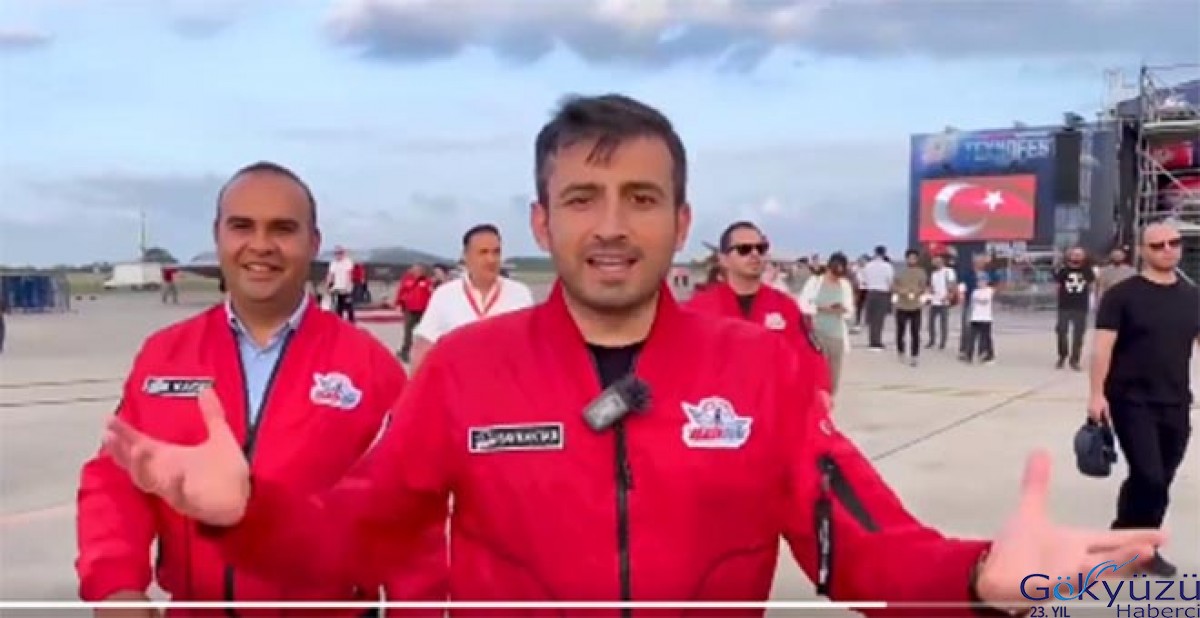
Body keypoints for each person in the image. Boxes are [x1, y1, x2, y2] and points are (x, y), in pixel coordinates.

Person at [102, 95, 1161, 616]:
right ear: (543, 219)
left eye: (641, 198)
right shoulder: (464, 373)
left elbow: (859, 546)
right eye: (582, 199)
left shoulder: (763, 372)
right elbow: (356, 536)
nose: (611, 226)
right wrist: (247, 512)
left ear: (681, 220)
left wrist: (979, 578)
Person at [75, 161, 447, 617]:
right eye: (242, 226)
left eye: (283, 229)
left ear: (313, 243)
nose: (261, 245)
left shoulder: (371, 368)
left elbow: (411, 523)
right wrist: (115, 587)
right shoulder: (165, 356)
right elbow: (117, 479)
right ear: (218, 236)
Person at [1088, 222, 1198, 577]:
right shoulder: (1122, 296)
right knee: (1148, 475)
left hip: (1176, 401)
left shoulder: (1193, 297)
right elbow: (1102, 349)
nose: (1167, 249)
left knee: (1161, 479)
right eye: (1157, 245)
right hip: (1130, 400)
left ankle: (1139, 548)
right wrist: (1096, 394)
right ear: (1142, 251)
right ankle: (1124, 543)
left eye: (1173, 243)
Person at [686, 221, 827, 389]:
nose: (754, 254)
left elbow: (810, 360)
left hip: (774, 400)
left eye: (760, 248)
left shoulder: (785, 307)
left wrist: (819, 392)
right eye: (744, 249)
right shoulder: (698, 310)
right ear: (723, 259)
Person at [409, 224, 534, 371]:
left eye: (496, 252)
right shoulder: (445, 295)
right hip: (458, 381)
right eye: (483, 252)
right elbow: (423, 347)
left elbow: (532, 348)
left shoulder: (520, 294)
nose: (491, 259)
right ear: (466, 256)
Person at [797, 252, 855, 394]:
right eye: (834, 274)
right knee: (816, 374)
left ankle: (827, 402)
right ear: (828, 268)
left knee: (833, 378)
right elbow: (802, 304)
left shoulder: (844, 285)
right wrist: (821, 309)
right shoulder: (815, 282)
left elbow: (850, 311)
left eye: (839, 275)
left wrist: (841, 309)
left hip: (836, 336)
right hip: (816, 334)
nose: (836, 277)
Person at [1053, 247, 1095, 371]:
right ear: (1070, 256)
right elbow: (1057, 286)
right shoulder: (1063, 270)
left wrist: (1092, 301)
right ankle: (1062, 355)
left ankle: (1075, 359)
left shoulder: (1087, 270)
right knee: (1061, 330)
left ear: (1083, 257)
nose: (1076, 256)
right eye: (1074, 254)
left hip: (1080, 306)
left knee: (1078, 334)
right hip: (1064, 306)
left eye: (1079, 254)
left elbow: (1092, 286)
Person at [891, 249, 927, 366]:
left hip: (915, 306)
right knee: (900, 331)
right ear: (906, 259)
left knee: (915, 331)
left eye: (914, 258)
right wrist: (901, 291)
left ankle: (914, 356)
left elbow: (924, 287)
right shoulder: (900, 271)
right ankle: (901, 351)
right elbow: (893, 286)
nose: (912, 260)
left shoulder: (921, 272)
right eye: (910, 258)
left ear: (917, 259)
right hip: (902, 305)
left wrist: (918, 291)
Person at [394, 264, 434, 363]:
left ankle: (427, 352)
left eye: (419, 270)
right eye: (415, 270)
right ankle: (405, 351)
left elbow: (432, 294)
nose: (416, 272)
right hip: (410, 309)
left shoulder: (427, 282)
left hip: (423, 310)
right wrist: (399, 303)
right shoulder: (407, 280)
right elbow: (401, 291)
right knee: (408, 331)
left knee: (425, 332)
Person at [859, 245, 894, 350]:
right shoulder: (887, 266)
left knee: (871, 318)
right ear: (884, 253)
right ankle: (877, 341)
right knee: (879, 319)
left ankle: (872, 340)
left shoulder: (868, 266)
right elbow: (890, 281)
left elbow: (864, 280)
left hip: (870, 293)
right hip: (882, 293)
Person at [925, 254, 956, 350]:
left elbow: (952, 284)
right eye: (935, 261)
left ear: (942, 261)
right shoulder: (934, 274)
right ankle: (932, 340)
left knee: (943, 323)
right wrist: (928, 293)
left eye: (938, 261)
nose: (937, 262)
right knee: (931, 322)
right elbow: (932, 287)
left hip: (944, 301)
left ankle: (942, 342)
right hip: (934, 300)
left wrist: (948, 295)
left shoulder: (948, 271)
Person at [964, 274, 995, 364]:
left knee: (986, 338)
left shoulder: (989, 290)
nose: (980, 283)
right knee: (971, 337)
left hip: (986, 318)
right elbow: (973, 304)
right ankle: (969, 355)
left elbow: (985, 300)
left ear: (986, 282)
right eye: (979, 281)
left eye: (982, 281)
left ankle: (989, 355)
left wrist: (979, 299)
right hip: (975, 317)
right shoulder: (975, 292)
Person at [326, 246, 357, 323]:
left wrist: (348, 286)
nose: (338, 255)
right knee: (339, 306)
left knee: (349, 306)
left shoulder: (347, 262)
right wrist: (328, 285)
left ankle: (351, 322)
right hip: (337, 287)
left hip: (346, 287)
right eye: (336, 253)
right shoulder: (333, 263)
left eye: (340, 253)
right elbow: (331, 274)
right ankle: (339, 322)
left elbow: (349, 274)